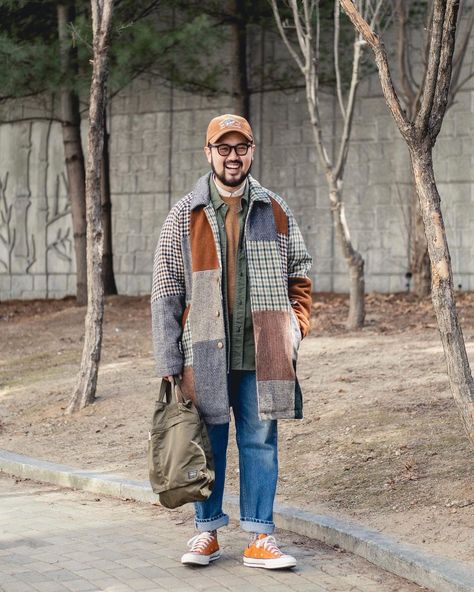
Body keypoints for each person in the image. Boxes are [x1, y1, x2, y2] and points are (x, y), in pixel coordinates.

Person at [151, 113, 312, 569]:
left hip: (265, 353)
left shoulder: (274, 208)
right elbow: (166, 291)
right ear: (209, 153)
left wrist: (294, 330)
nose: (232, 156)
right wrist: (168, 356)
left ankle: (261, 537)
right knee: (210, 443)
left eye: (240, 147)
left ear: (252, 151)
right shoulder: (186, 213)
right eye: (224, 148)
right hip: (202, 353)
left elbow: (299, 275)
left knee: (261, 442)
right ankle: (207, 533)